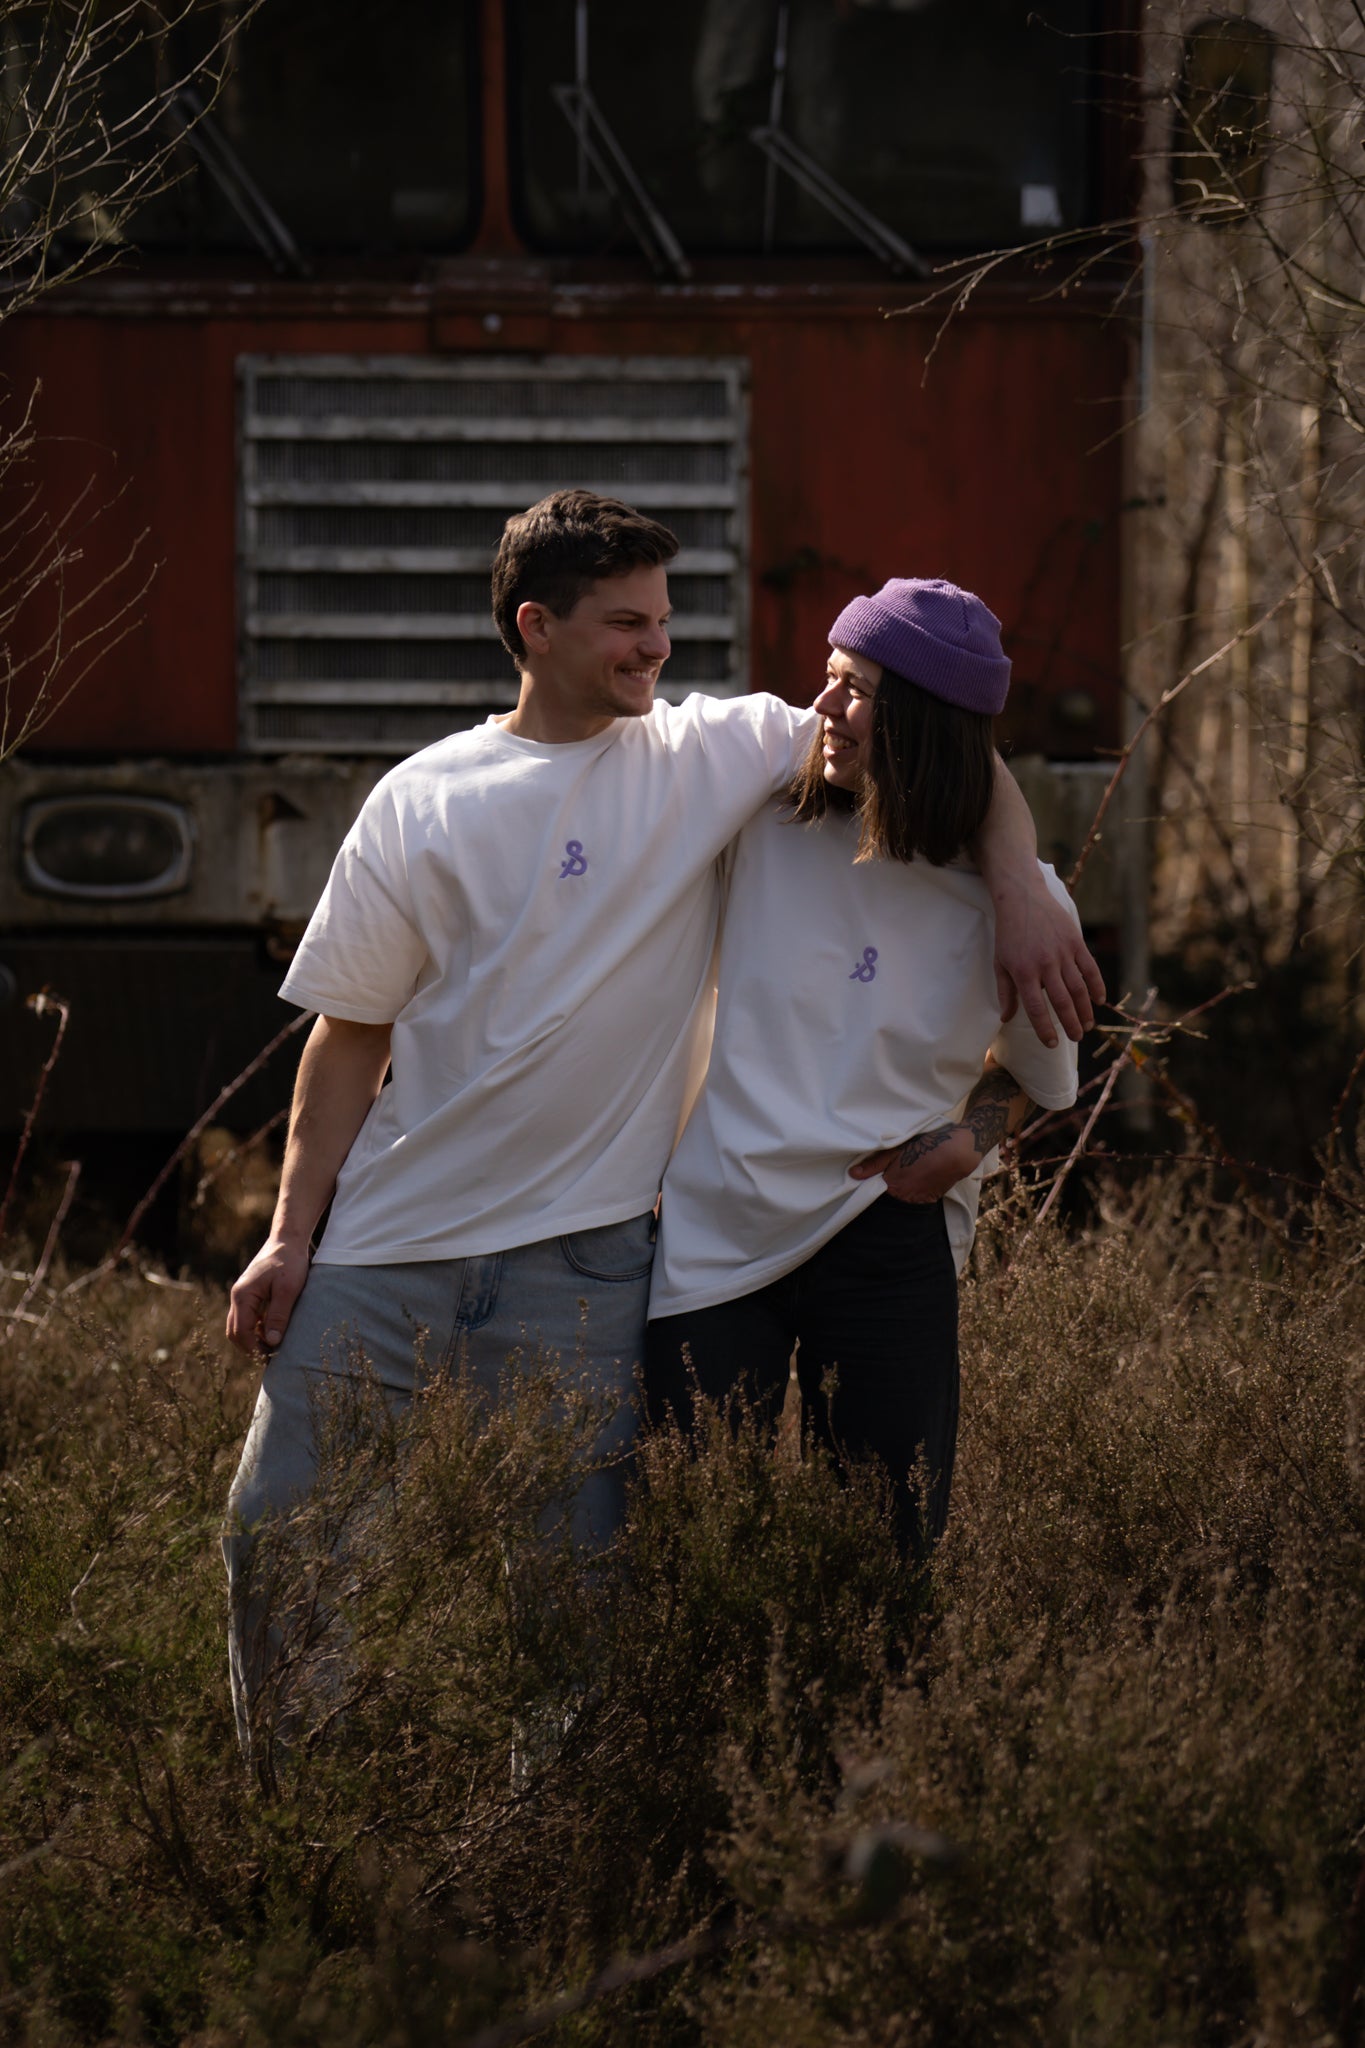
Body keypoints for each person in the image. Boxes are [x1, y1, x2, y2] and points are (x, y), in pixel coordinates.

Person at [222, 497, 1101, 1745]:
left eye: (664, 621)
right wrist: (290, 1231)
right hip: (556, 1244)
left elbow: (960, 763)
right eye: (628, 623)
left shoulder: (801, 799)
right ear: (539, 628)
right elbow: (349, 1026)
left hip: (729, 1249)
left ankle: (750, 1811)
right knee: (353, 1539)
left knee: (754, 1563)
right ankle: (359, 1813)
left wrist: (1012, 914)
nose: (660, 649)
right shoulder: (666, 804)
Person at [645, 577, 1081, 1555]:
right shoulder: (759, 820)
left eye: (859, 689)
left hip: (887, 1232)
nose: (825, 708)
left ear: (926, 721)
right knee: (692, 1540)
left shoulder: (1022, 908)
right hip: (719, 1230)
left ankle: (877, 1713)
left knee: (883, 1550)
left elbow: (1029, 1078)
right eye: (830, 678)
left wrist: (966, 1145)